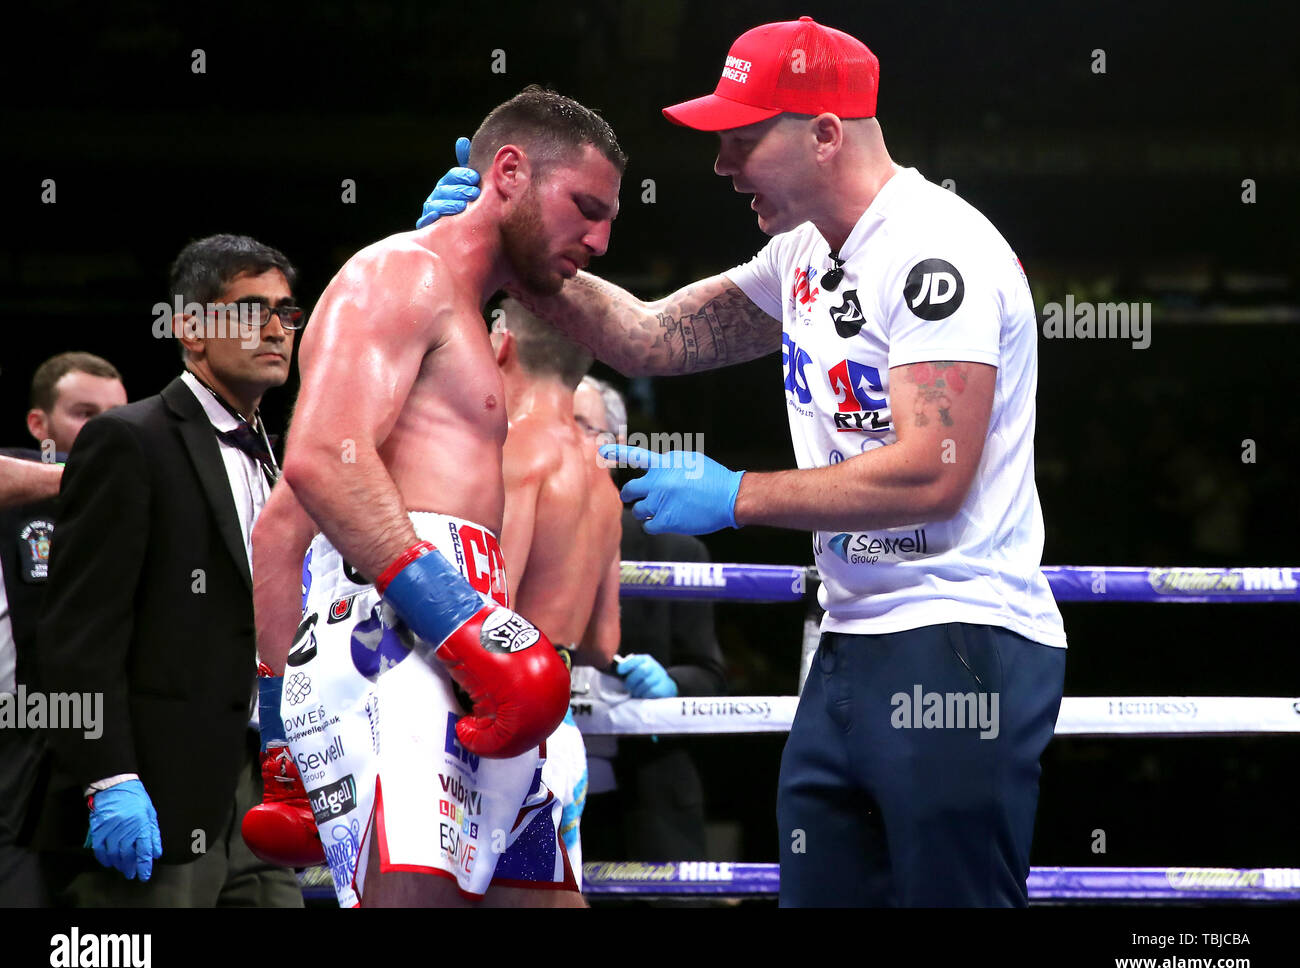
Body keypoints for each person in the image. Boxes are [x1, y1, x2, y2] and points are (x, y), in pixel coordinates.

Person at [419, 17, 1067, 907]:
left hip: (957, 637)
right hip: (850, 642)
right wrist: (499, 241)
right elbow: (652, 335)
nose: (722, 164)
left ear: (827, 133)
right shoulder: (806, 253)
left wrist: (737, 496)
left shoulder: (933, 251)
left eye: (742, 139)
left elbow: (933, 470)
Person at [249, 85, 623, 908]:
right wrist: (460, 626)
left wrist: (279, 729)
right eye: (585, 208)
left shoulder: (471, 319)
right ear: (511, 172)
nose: (596, 240)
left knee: (544, 897)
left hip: (476, 636)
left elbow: (278, 528)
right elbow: (318, 460)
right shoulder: (398, 274)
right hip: (397, 638)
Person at [32, 234, 305, 907]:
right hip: (159, 784)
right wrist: (108, 776)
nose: (275, 329)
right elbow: (77, 633)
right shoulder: (132, 439)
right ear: (190, 327)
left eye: (286, 311)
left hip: (262, 783)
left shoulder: (279, 457)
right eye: (250, 310)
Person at [491, 298, 623, 885]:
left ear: (502, 346)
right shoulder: (602, 479)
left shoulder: (521, 450)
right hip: (563, 738)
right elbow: (603, 643)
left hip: (504, 733)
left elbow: (493, 612)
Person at [572, 377, 726, 862]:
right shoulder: (493, 541)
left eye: (577, 425)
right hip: (529, 793)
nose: (559, 439)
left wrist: (671, 686)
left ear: (615, 447)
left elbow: (709, 675)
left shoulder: (673, 549)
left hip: (644, 793)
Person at [0, 353, 127, 906]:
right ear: (39, 424)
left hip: (86, 732)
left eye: (115, 417)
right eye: (84, 414)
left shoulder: (132, 496)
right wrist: (83, 477)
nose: (102, 431)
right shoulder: (21, 473)